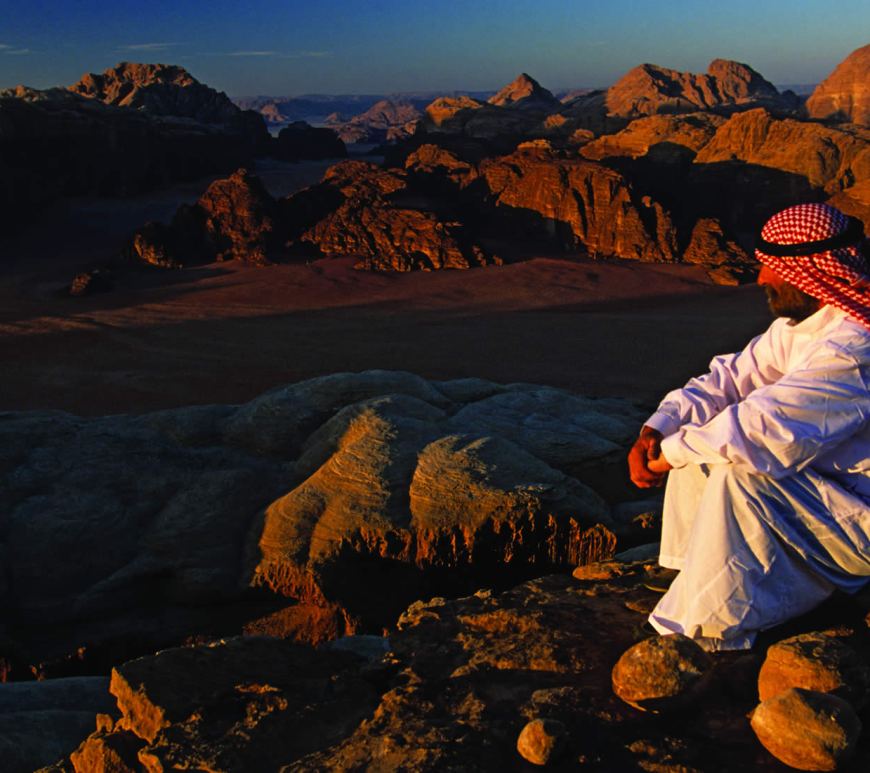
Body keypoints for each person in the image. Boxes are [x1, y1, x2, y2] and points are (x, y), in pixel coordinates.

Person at [628, 202, 870, 652]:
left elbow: (764, 429)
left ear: (809, 274)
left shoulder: (856, 348)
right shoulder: (805, 326)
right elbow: (730, 378)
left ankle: (705, 632)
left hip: (861, 520)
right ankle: (695, 573)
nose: (761, 280)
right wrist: (660, 428)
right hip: (833, 498)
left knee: (740, 471)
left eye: (772, 268)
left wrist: (671, 454)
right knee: (702, 434)